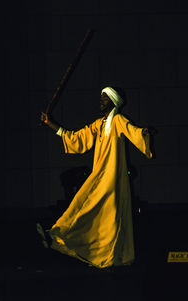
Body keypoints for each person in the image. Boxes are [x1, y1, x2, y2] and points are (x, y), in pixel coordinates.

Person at [37, 86, 152, 269]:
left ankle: (59, 235)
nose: (101, 101)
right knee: (88, 209)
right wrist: (51, 124)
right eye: (101, 97)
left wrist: (143, 134)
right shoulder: (98, 125)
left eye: (105, 98)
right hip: (99, 176)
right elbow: (76, 139)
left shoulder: (118, 121)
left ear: (113, 102)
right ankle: (58, 235)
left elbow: (133, 131)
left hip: (111, 179)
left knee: (102, 215)